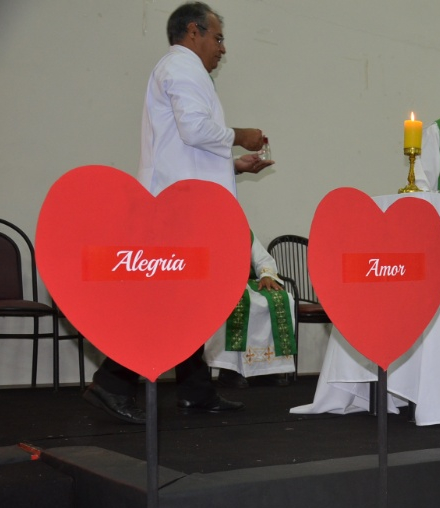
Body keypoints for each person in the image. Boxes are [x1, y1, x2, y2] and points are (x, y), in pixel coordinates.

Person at [83, 2, 273, 424]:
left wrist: (234, 165)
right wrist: (242, 137)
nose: (223, 49)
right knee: (166, 301)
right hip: (177, 209)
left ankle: (194, 389)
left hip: (184, 201)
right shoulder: (183, 67)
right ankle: (112, 383)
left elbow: (187, 147)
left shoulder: (184, 71)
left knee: (187, 299)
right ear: (193, 32)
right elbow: (196, 129)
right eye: (218, 38)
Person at [204, 234, 296, 387]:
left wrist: (266, 275)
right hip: (221, 283)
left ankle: (267, 369)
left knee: (281, 298)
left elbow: (262, 259)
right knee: (235, 303)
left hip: (248, 283)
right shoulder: (208, 231)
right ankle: (230, 371)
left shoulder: (245, 233)